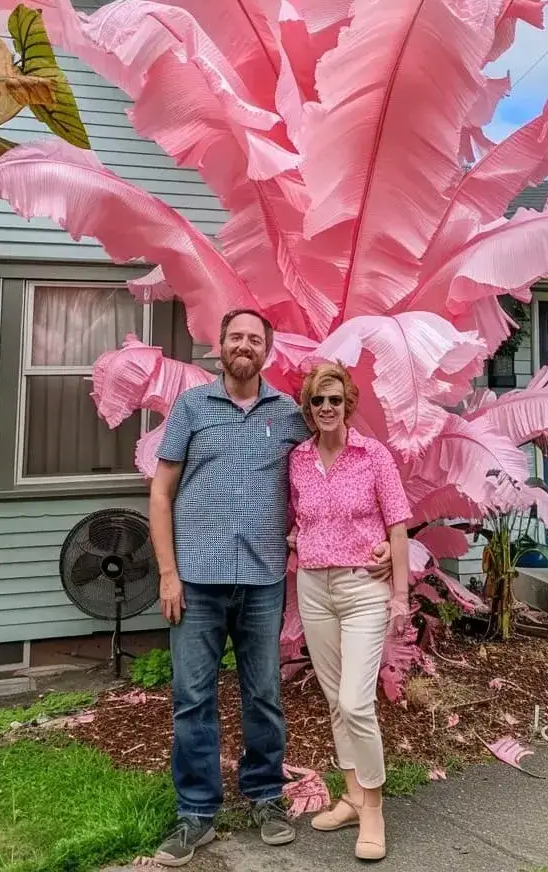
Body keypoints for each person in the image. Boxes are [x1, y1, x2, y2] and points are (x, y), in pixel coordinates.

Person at [148, 309, 393, 866]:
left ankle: (265, 797)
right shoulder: (191, 407)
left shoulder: (288, 414)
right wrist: (167, 573)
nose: (244, 345)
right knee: (192, 698)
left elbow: (339, 464)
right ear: (220, 345)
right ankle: (196, 813)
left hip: (262, 580)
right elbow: (161, 492)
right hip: (198, 580)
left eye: (254, 339)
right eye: (235, 336)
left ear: (266, 350)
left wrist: (382, 541)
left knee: (263, 695)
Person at [288, 361, 411, 863]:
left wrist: (400, 594)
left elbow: (398, 525)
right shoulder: (298, 459)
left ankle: (375, 808)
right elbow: (296, 519)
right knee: (336, 701)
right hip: (314, 587)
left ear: (348, 404)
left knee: (357, 702)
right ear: (309, 407)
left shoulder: (372, 455)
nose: (326, 408)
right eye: (318, 400)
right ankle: (353, 796)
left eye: (334, 400)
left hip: (363, 588)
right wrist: (298, 537)